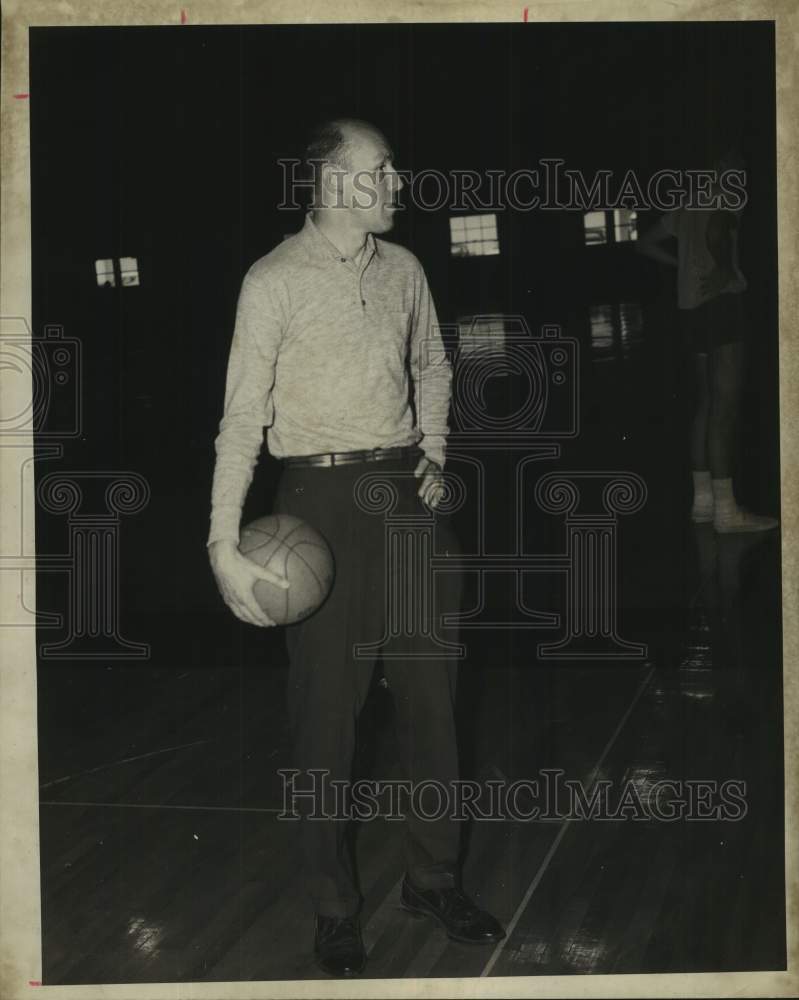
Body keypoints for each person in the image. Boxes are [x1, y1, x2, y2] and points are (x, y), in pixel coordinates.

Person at [207, 118, 505, 977]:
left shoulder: (406, 271)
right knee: (325, 720)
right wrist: (223, 542)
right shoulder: (271, 281)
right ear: (334, 183)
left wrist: (437, 452)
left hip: (408, 500)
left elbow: (434, 367)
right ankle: (333, 907)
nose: (397, 182)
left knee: (433, 704)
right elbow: (239, 421)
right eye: (380, 171)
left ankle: (432, 878)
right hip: (316, 508)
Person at [636, 148, 778, 534]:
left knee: (705, 402)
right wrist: (724, 268)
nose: (743, 172)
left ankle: (702, 502)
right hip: (721, 306)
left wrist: (681, 266)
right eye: (737, 165)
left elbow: (645, 243)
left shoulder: (687, 203)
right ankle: (728, 512)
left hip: (690, 311)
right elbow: (718, 230)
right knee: (726, 407)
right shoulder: (729, 195)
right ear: (719, 168)